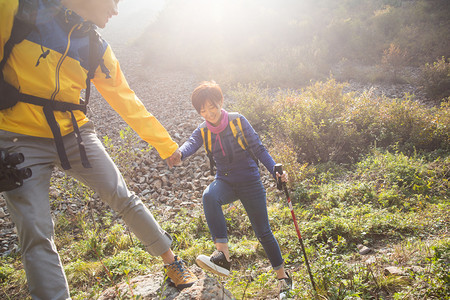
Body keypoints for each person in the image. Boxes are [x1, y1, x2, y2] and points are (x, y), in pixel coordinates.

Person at [0, 0, 197, 298]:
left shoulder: (96, 46)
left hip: (75, 134)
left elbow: (126, 100)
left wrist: (165, 144)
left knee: (122, 196)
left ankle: (172, 262)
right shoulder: (16, 10)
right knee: (36, 233)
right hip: (18, 138)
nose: (116, 11)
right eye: (114, 1)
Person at [170, 81, 293, 297]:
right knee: (209, 196)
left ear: (221, 102)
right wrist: (179, 153)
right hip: (225, 182)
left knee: (263, 232)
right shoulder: (203, 130)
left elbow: (259, 148)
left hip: (250, 181)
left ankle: (283, 278)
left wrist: (275, 170)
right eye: (203, 111)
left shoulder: (238, 121)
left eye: (212, 107)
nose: (209, 114)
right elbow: (190, 144)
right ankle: (223, 257)